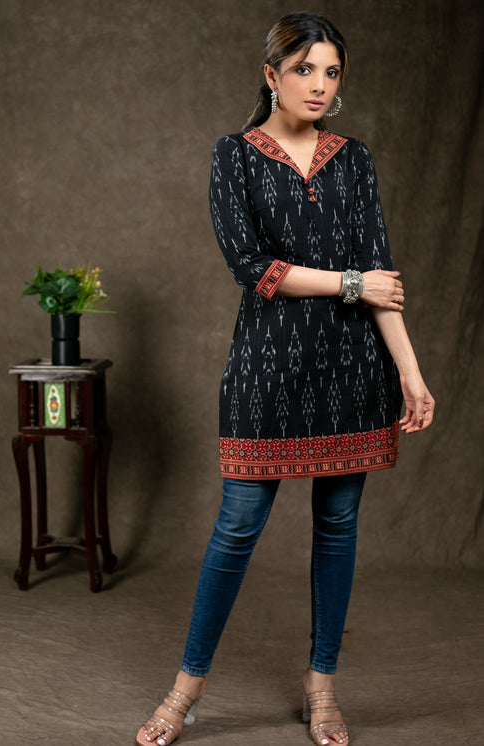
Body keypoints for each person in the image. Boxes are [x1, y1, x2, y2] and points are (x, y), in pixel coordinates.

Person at [136, 11, 434, 746]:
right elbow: (253, 269)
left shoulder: (353, 159)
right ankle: (185, 690)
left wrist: (410, 372)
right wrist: (350, 283)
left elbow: (382, 279)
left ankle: (321, 686)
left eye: (331, 71)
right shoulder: (234, 156)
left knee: (337, 527)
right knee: (237, 525)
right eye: (304, 69)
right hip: (266, 371)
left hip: (351, 371)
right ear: (272, 74)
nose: (319, 84)